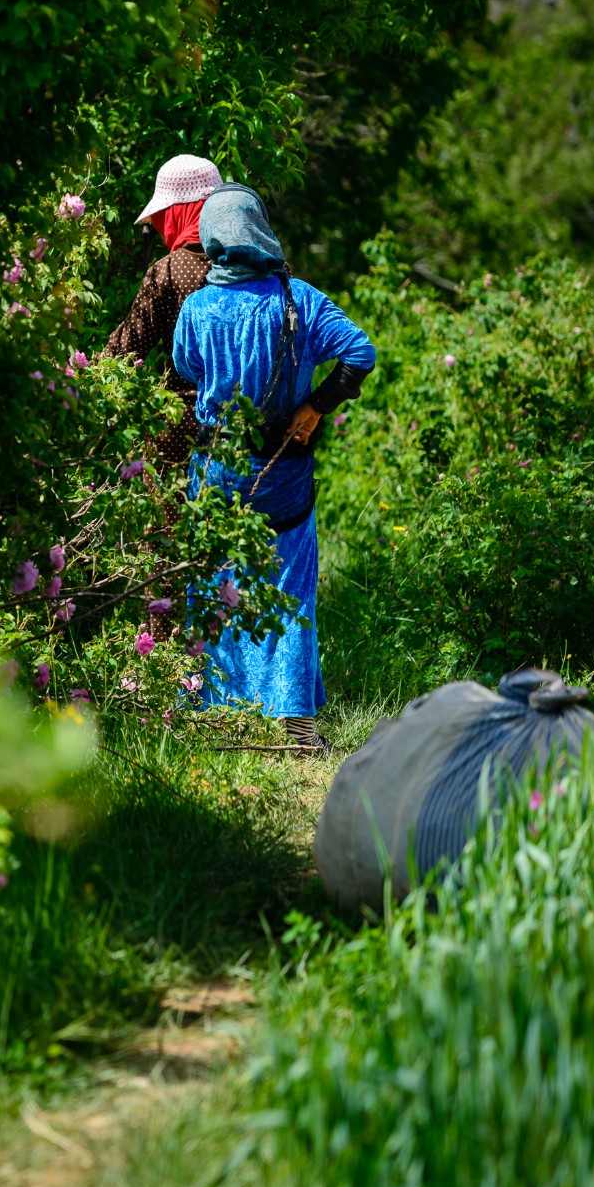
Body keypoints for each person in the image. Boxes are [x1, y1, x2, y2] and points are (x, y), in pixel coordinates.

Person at [172, 183, 374, 749]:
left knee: (215, 584)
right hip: (284, 471)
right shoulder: (300, 299)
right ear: (260, 231)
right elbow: (361, 354)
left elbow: (187, 369)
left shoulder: (196, 307)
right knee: (290, 588)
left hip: (217, 474)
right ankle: (296, 724)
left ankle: (213, 717)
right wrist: (315, 405)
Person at [105, 153, 222, 640]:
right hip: (248, 431)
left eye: (161, 218)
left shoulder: (171, 271)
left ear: (180, 212)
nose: (156, 228)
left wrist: (83, 381)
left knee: (167, 548)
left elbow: (124, 349)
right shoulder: (266, 272)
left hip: (177, 433)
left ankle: (164, 658)